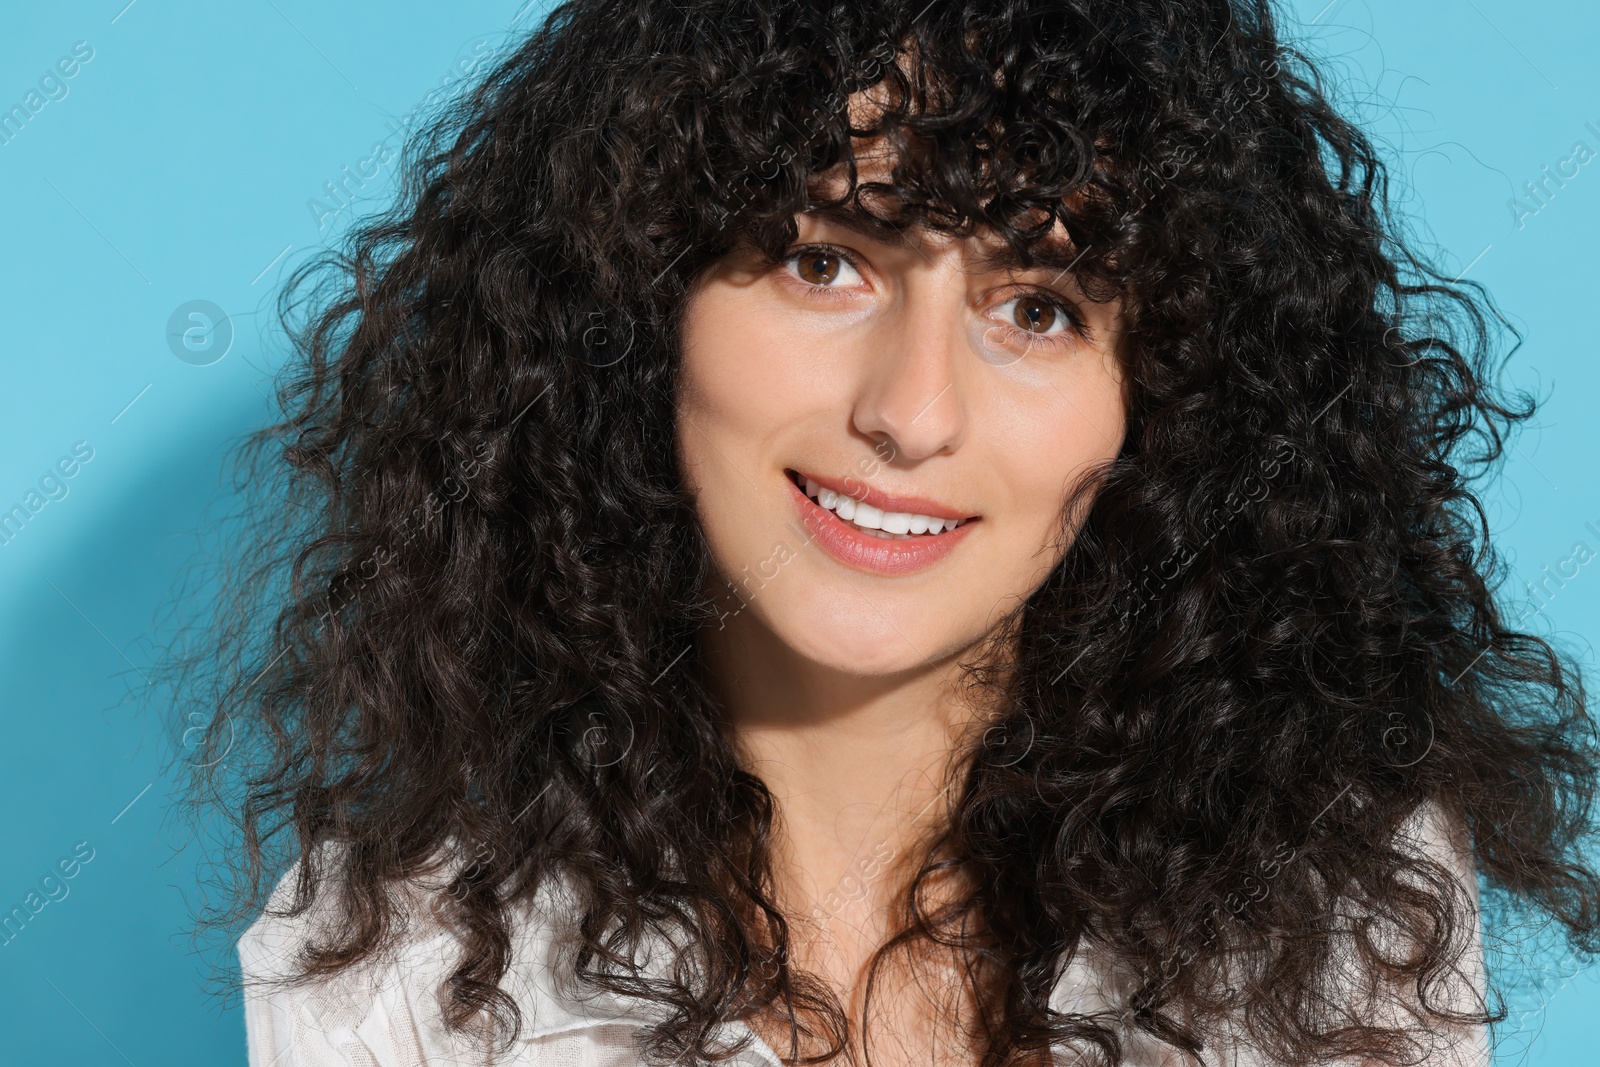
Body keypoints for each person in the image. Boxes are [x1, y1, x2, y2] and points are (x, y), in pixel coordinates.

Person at [175, 0, 1600, 1064]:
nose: (912, 414)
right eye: (824, 261)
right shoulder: (386, 976)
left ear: (1161, 404)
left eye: (1037, 307)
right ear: (637, 317)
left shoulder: (1344, 911)